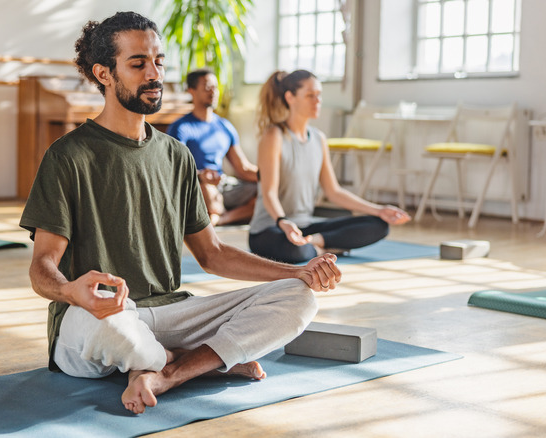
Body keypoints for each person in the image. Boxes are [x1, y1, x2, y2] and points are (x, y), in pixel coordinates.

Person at [19, 12, 341, 415]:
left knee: (299, 298)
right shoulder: (68, 156)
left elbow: (213, 255)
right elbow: (41, 267)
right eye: (138, 64)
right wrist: (70, 291)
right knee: (115, 327)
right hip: (97, 317)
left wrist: (297, 272)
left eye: (159, 61)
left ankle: (166, 371)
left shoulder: (176, 155)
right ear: (104, 73)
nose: (154, 73)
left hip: (170, 309)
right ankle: (201, 360)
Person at [248, 70, 411, 264]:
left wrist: (378, 210)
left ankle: (317, 244)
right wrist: (283, 221)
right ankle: (324, 247)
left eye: (319, 95)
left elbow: (333, 191)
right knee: (294, 250)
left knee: (379, 225)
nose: (317, 101)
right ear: (290, 97)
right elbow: (269, 194)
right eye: (310, 96)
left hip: (305, 227)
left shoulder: (319, 139)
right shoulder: (273, 136)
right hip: (271, 229)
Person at [167, 69, 258, 226]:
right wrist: (201, 176)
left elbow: (242, 168)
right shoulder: (180, 127)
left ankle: (220, 219)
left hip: (223, 184)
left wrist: (271, 177)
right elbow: (176, 167)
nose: (213, 91)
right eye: (207, 87)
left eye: (215, 87)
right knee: (207, 189)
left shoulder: (225, 126)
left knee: (264, 192)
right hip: (198, 183)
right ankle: (214, 215)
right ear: (192, 91)